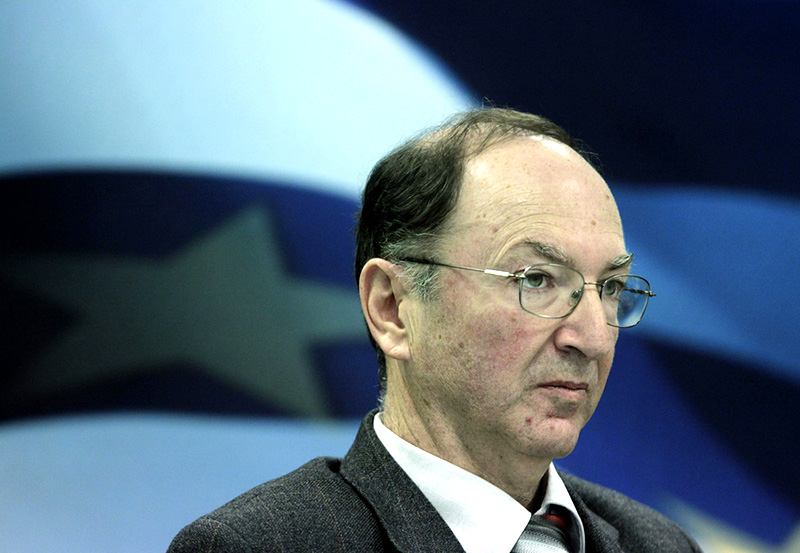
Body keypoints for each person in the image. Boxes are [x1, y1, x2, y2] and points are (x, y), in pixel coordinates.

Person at [167, 108, 702, 552]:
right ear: (393, 308)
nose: (592, 338)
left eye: (610, 287)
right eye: (536, 279)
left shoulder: (658, 544)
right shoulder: (257, 546)